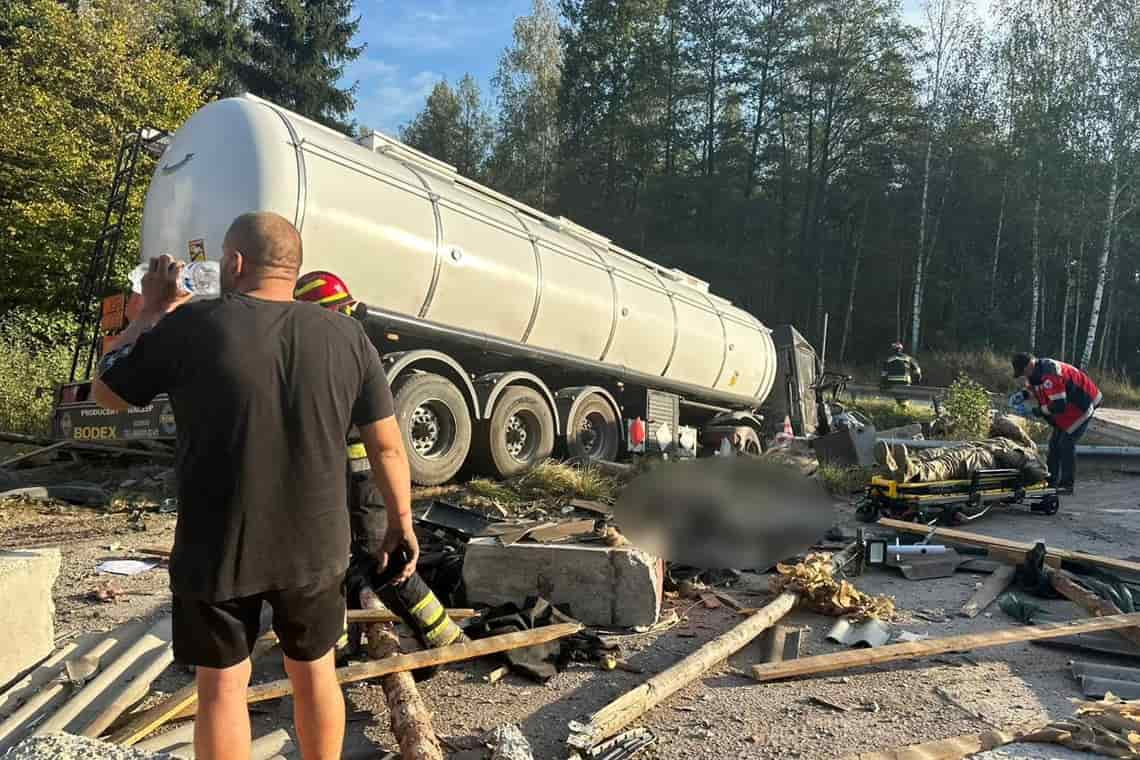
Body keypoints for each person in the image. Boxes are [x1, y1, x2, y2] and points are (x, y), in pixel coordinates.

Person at [91, 212, 417, 760]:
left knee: (222, 688)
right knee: (315, 674)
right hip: (316, 546)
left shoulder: (192, 325)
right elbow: (387, 446)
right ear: (295, 268)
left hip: (219, 546)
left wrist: (149, 311)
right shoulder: (346, 334)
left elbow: (108, 393)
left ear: (235, 263)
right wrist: (401, 524)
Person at [292, 271, 467, 656]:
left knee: (382, 556)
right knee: (340, 561)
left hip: (361, 480)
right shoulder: (324, 355)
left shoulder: (342, 356)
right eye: (340, 310)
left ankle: (443, 635)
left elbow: (385, 446)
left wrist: (399, 516)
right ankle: (344, 643)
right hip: (338, 482)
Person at [1012, 352, 1101, 494]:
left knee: (1066, 442)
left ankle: (1067, 485)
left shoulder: (1051, 374)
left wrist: (1036, 411)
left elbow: (1059, 405)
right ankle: (1051, 482)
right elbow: (1035, 388)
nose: (1024, 376)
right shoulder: (1034, 372)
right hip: (1067, 408)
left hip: (1082, 404)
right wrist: (1022, 395)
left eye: (1023, 373)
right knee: (1054, 444)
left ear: (1029, 365)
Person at [875, 415, 1047, 484]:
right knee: (933, 453)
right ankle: (895, 467)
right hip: (975, 448)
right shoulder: (1001, 439)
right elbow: (1001, 423)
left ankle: (913, 471)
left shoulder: (1029, 455)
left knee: (949, 463)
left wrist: (1018, 441)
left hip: (984, 459)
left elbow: (1023, 467)